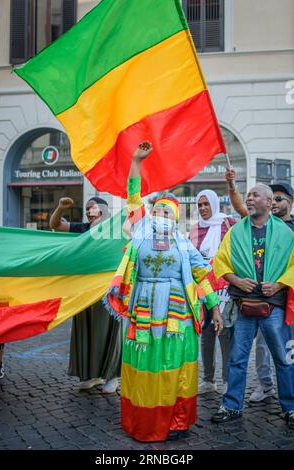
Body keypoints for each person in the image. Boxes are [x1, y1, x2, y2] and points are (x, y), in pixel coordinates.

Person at [104, 141, 223, 442]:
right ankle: (143, 420)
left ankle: (176, 422)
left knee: (174, 366)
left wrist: (216, 308)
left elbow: (203, 276)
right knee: (145, 364)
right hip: (143, 314)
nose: (160, 216)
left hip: (176, 316)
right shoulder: (141, 229)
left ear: (175, 218)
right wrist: (136, 162)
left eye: (166, 213)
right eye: (156, 210)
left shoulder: (184, 243)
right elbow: (133, 195)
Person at [212, 183, 294, 430]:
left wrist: (279, 285)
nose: (249, 198)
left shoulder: (286, 233)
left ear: (269, 203)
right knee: (237, 358)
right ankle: (232, 406)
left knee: (283, 358)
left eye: (255, 195)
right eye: (247, 195)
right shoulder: (236, 231)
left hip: (274, 306)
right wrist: (236, 280)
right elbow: (220, 261)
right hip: (245, 305)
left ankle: (290, 408)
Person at [49, 196, 122, 393]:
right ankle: (92, 375)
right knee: (86, 330)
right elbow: (55, 225)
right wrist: (60, 207)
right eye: (87, 208)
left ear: (105, 211)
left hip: (107, 291)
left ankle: (112, 376)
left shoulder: (115, 231)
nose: (90, 211)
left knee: (109, 332)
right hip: (84, 290)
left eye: (94, 208)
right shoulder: (83, 228)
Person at [189, 190, 236, 394]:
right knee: (206, 332)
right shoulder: (194, 228)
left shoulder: (229, 223)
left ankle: (227, 380)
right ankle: (208, 379)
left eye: (206, 204)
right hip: (203, 289)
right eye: (199, 205)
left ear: (215, 204)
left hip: (225, 287)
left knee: (225, 333)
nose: (203, 208)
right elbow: (191, 256)